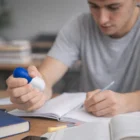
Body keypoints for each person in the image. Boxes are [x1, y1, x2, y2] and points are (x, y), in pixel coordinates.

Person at [6, 0, 140, 117]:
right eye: (93, 6)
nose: (102, 19)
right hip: (87, 122)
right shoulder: (79, 26)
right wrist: (34, 93)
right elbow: (46, 78)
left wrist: (127, 102)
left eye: (113, 7)